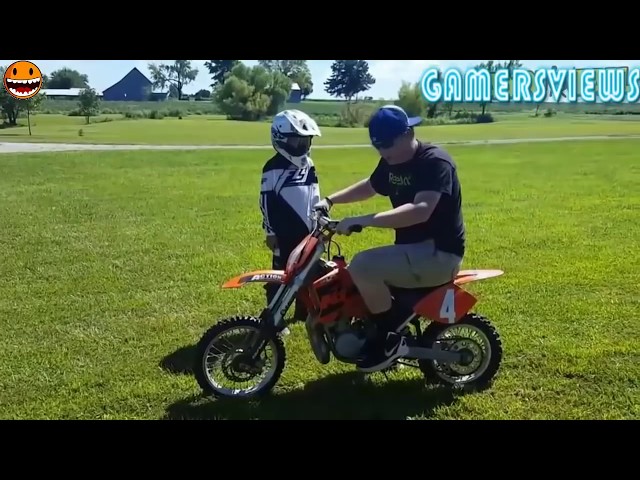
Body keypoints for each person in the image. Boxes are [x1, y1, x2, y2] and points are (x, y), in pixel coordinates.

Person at [314, 105, 465, 372]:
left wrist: (365, 220)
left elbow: (420, 210)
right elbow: (371, 185)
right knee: (352, 276)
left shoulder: (434, 162)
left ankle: (387, 340)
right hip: (413, 250)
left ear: (408, 133)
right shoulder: (393, 160)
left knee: (363, 265)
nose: (383, 153)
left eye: (387, 145)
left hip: (439, 254)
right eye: (378, 147)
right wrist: (330, 200)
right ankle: (378, 329)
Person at [260, 109, 322, 322]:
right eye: (297, 141)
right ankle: (274, 316)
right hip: (283, 234)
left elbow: (314, 193)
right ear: (281, 139)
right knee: (280, 276)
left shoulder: (309, 165)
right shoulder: (272, 168)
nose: (302, 146)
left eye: (305, 141)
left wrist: (318, 219)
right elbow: (265, 202)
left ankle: (302, 314)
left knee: (307, 273)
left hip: (307, 232)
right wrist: (270, 232)